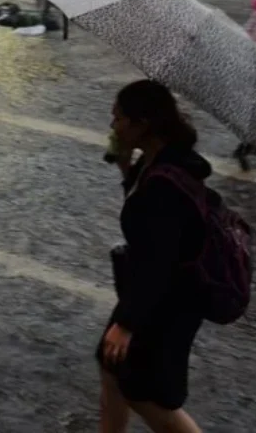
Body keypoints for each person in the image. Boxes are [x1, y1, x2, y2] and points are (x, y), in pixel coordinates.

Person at [99, 79, 207, 433]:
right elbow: (145, 217)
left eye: (118, 118)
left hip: (165, 302)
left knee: (146, 396)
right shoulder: (159, 158)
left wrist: (127, 325)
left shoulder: (165, 181)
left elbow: (157, 261)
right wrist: (126, 167)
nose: (112, 126)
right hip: (153, 293)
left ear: (141, 124)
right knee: (111, 369)